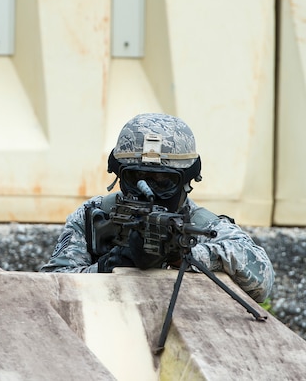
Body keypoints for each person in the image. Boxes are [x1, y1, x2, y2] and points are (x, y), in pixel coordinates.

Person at [40, 113, 274, 303]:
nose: (147, 190)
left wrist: (183, 255)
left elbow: (262, 281)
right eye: (136, 177)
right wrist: (108, 266)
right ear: (119, 175)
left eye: (162, 181)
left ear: (186, 181)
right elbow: (50, 287)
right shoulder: (94, 216)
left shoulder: (203, 227)